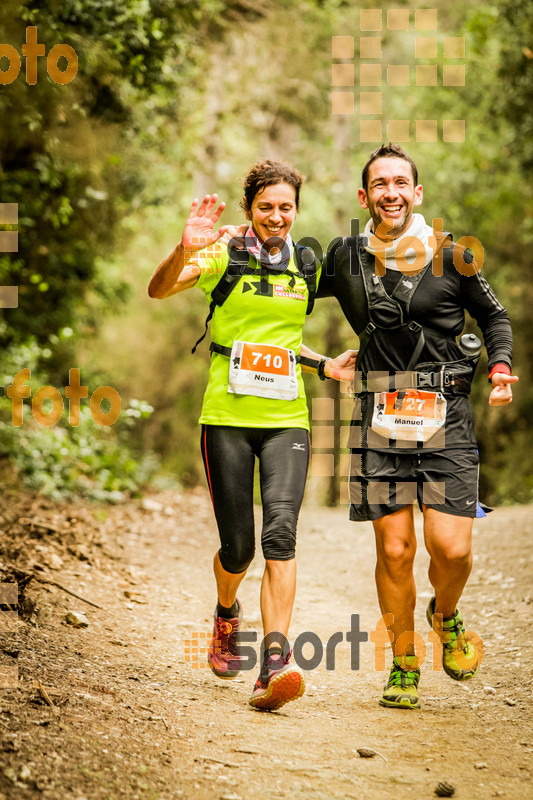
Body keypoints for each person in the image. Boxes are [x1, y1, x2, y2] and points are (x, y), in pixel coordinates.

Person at [148, 160, 356, 711]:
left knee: (280, 537)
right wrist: (185, 248)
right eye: (266, 206)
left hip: (287, 419)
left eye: (286, 206)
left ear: (296, 210)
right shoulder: (222, 252)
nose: (277, 216)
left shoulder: (305, 263)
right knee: (238, 549)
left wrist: (324, 365)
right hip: (226, 418)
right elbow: (159, 290)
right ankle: (225, 613)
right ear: (249, 209)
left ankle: (274, 664)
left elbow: (286, 345)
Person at [317, 144, 518, 709]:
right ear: (365, 197)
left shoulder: (453, 256)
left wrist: (499, 366)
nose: (391, 192)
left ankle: (445, 615)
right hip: (380, 416)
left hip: (447, 413)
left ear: (417, 192)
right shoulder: (345, 257)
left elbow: (494, 316)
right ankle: (404, 661)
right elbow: (289, 292)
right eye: (379, 184)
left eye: (400, 182)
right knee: (397, 550)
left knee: (450, 550)